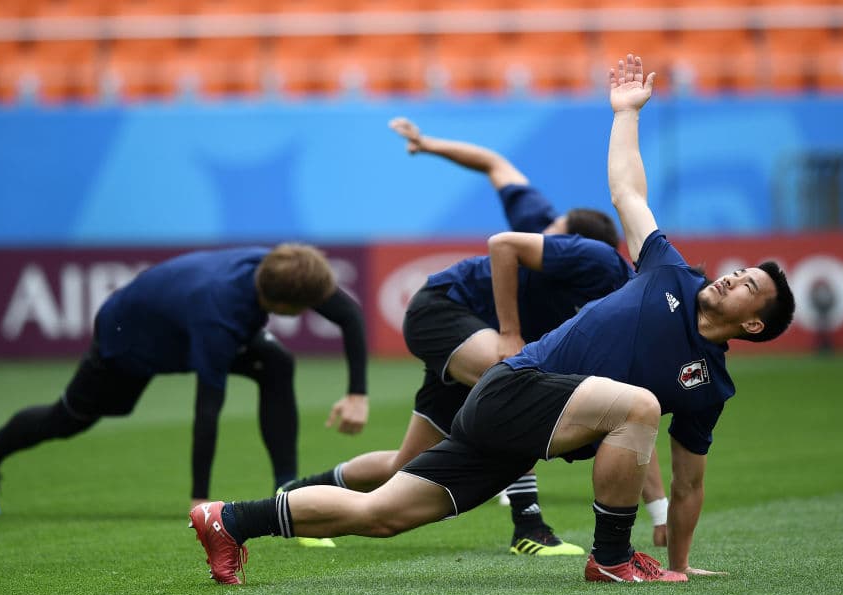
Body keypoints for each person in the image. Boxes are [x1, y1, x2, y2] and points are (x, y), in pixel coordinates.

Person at [188, 54, 796, 585]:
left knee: (383, 514)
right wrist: (627, 113)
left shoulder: (708, 385)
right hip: (515, 388)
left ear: (752, 327)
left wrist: (682, 565)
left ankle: (231, 520)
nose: (733, 278)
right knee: (638, 404)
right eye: (741, 272)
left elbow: (689, 486)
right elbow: (627, 191)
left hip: (519, 435)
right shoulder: (668, 271)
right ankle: (610, 557)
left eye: (750, 288)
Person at [275, 118, 669, 554]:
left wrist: (661, 513)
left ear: (578, 248)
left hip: (472, 346)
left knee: (403, 466)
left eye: (556, 235)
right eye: (550, 232)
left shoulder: (603, 281)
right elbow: (494, 163)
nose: (544, 238)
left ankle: (293, 496)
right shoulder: (539, 230)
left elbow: (631, 415)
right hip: (442, 310)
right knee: (515, 382)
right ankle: (529, 526)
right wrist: (427, 144)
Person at [0, 243, 369, 524]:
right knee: (71, 418)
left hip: (179, 324)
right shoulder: (220, 318)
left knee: (275, 363)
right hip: (129, 339)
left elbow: (348, 315)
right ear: (282, 306)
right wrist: (200, 498)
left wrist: (357, 394)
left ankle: (287, 489)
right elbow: (207, 408)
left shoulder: (283, 266)